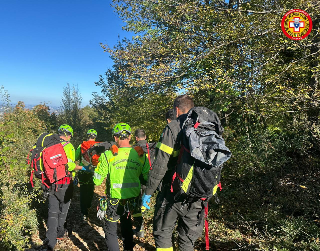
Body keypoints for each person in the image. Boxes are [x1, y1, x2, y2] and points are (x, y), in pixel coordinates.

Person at [142, 95, 206, 251]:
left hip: (173, 193)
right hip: (199, 194)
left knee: (163, 233)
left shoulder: (174, 127)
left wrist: (149, 192)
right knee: (187, 239)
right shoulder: (205, 127)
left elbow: (160, 165)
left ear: (176, 110)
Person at [93, 123, 150, 251]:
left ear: (115, 137)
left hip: (114, 200)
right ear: (130, 137)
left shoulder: (108, 155)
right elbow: (147, 178)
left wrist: (95, 167)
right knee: (127, 226)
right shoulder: (140, 155)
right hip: (132, 201)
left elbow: (97, 181)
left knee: (111, 231)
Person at [42, 124, 90, 251]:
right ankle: (60, 233)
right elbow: (70, 165)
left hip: (51, 182)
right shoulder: (69, 146)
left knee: (52, 211)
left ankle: (50, 242)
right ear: (68, 135)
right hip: (65, 182)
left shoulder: (49, 144)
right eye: (70, 135)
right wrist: (78, 173)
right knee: (64, 208)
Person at [75, 129, 99, 221]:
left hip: (83, 172)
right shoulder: (98, 146)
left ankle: (84, 212)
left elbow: (76, 157)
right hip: (94, 172)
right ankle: (88, 205)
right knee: (91, 189)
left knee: (83, 192)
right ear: (95, 137)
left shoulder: (81, 146)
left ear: (87, 136)